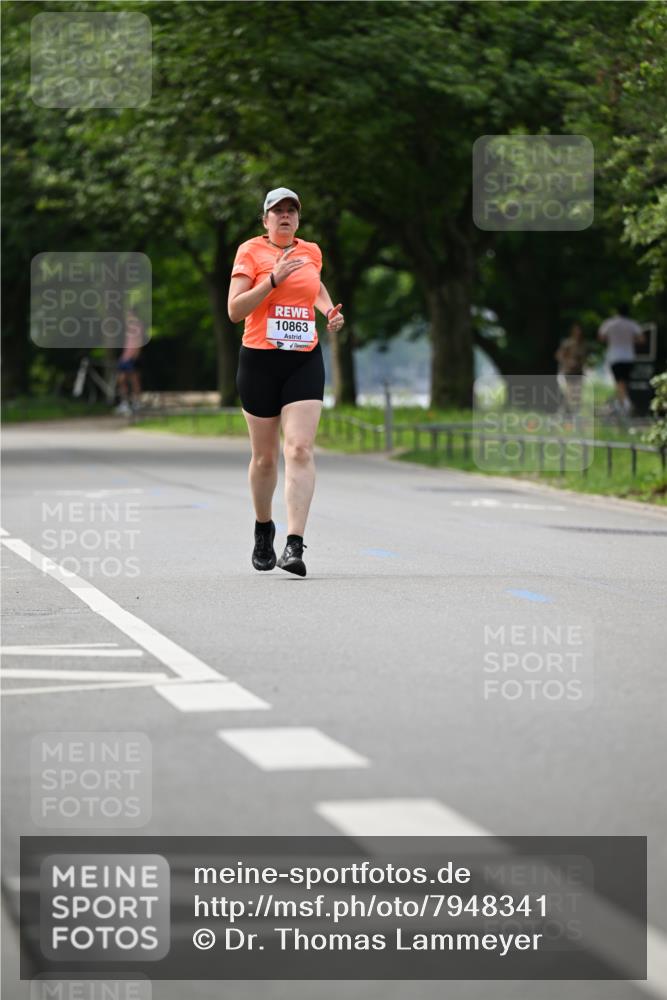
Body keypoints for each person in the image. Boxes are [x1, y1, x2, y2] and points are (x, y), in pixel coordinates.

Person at [228, 187, 344, 577]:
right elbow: (234, 310)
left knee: (299, 449)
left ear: (298, 219)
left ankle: (294, 545)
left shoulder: (311, 251)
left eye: (292, 210)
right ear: (265, 219)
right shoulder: (250, 252)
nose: (285, 216)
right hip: (259, 361)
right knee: (264, 458)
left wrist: (328, 310)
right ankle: (264, 529)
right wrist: (272, 281)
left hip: (303, 360)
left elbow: (315, 285)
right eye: (277, 211)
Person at [597, 304, 645, 415]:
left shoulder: (609, 323)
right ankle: (622, 407)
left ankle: (626, 404)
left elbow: (601, 337)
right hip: (629, 357)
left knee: (619, 382)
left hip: (615, 357)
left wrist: (612, 339)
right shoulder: (632, 324)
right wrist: (631, 340)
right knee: (624, 382)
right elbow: (642, 339)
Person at [115, 309, 144, 415]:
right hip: (125, 357)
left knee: (134, 380)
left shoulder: (136, 325)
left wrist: (134, 357)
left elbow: (138, 343)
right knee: (121, 380)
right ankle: (125, 403)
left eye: (128, 315)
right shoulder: (128, 327)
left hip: (130, 358)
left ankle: (137, 403)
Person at [555, 322, 586, 412]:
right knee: (570, 391)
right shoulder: (567, 343)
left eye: (580, 331)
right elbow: (559, 355)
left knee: (577, 393)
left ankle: (574, 411)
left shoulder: (583, 344)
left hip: (579, 371)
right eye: (576, 331)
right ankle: (564, 410)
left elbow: (583, 358)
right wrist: (568, 362)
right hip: (568, 371)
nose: (578, 333)